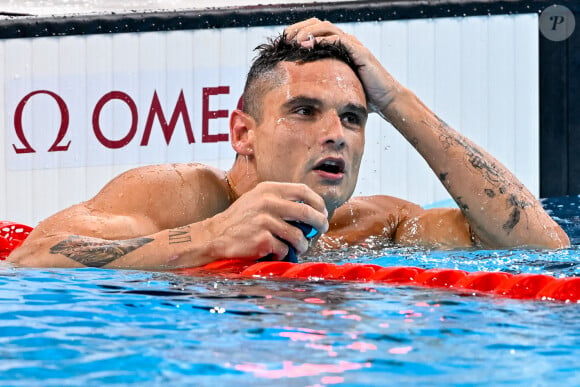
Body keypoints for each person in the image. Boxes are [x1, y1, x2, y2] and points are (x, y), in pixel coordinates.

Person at [7, 18, 569, 269]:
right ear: (241, 134)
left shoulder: (375, 230)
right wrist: (210, 239)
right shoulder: (184, 197)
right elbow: (32, 259)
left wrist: (395, 100)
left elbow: (544, 249)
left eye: (353, 118)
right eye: (304, 111)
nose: (335, 134)